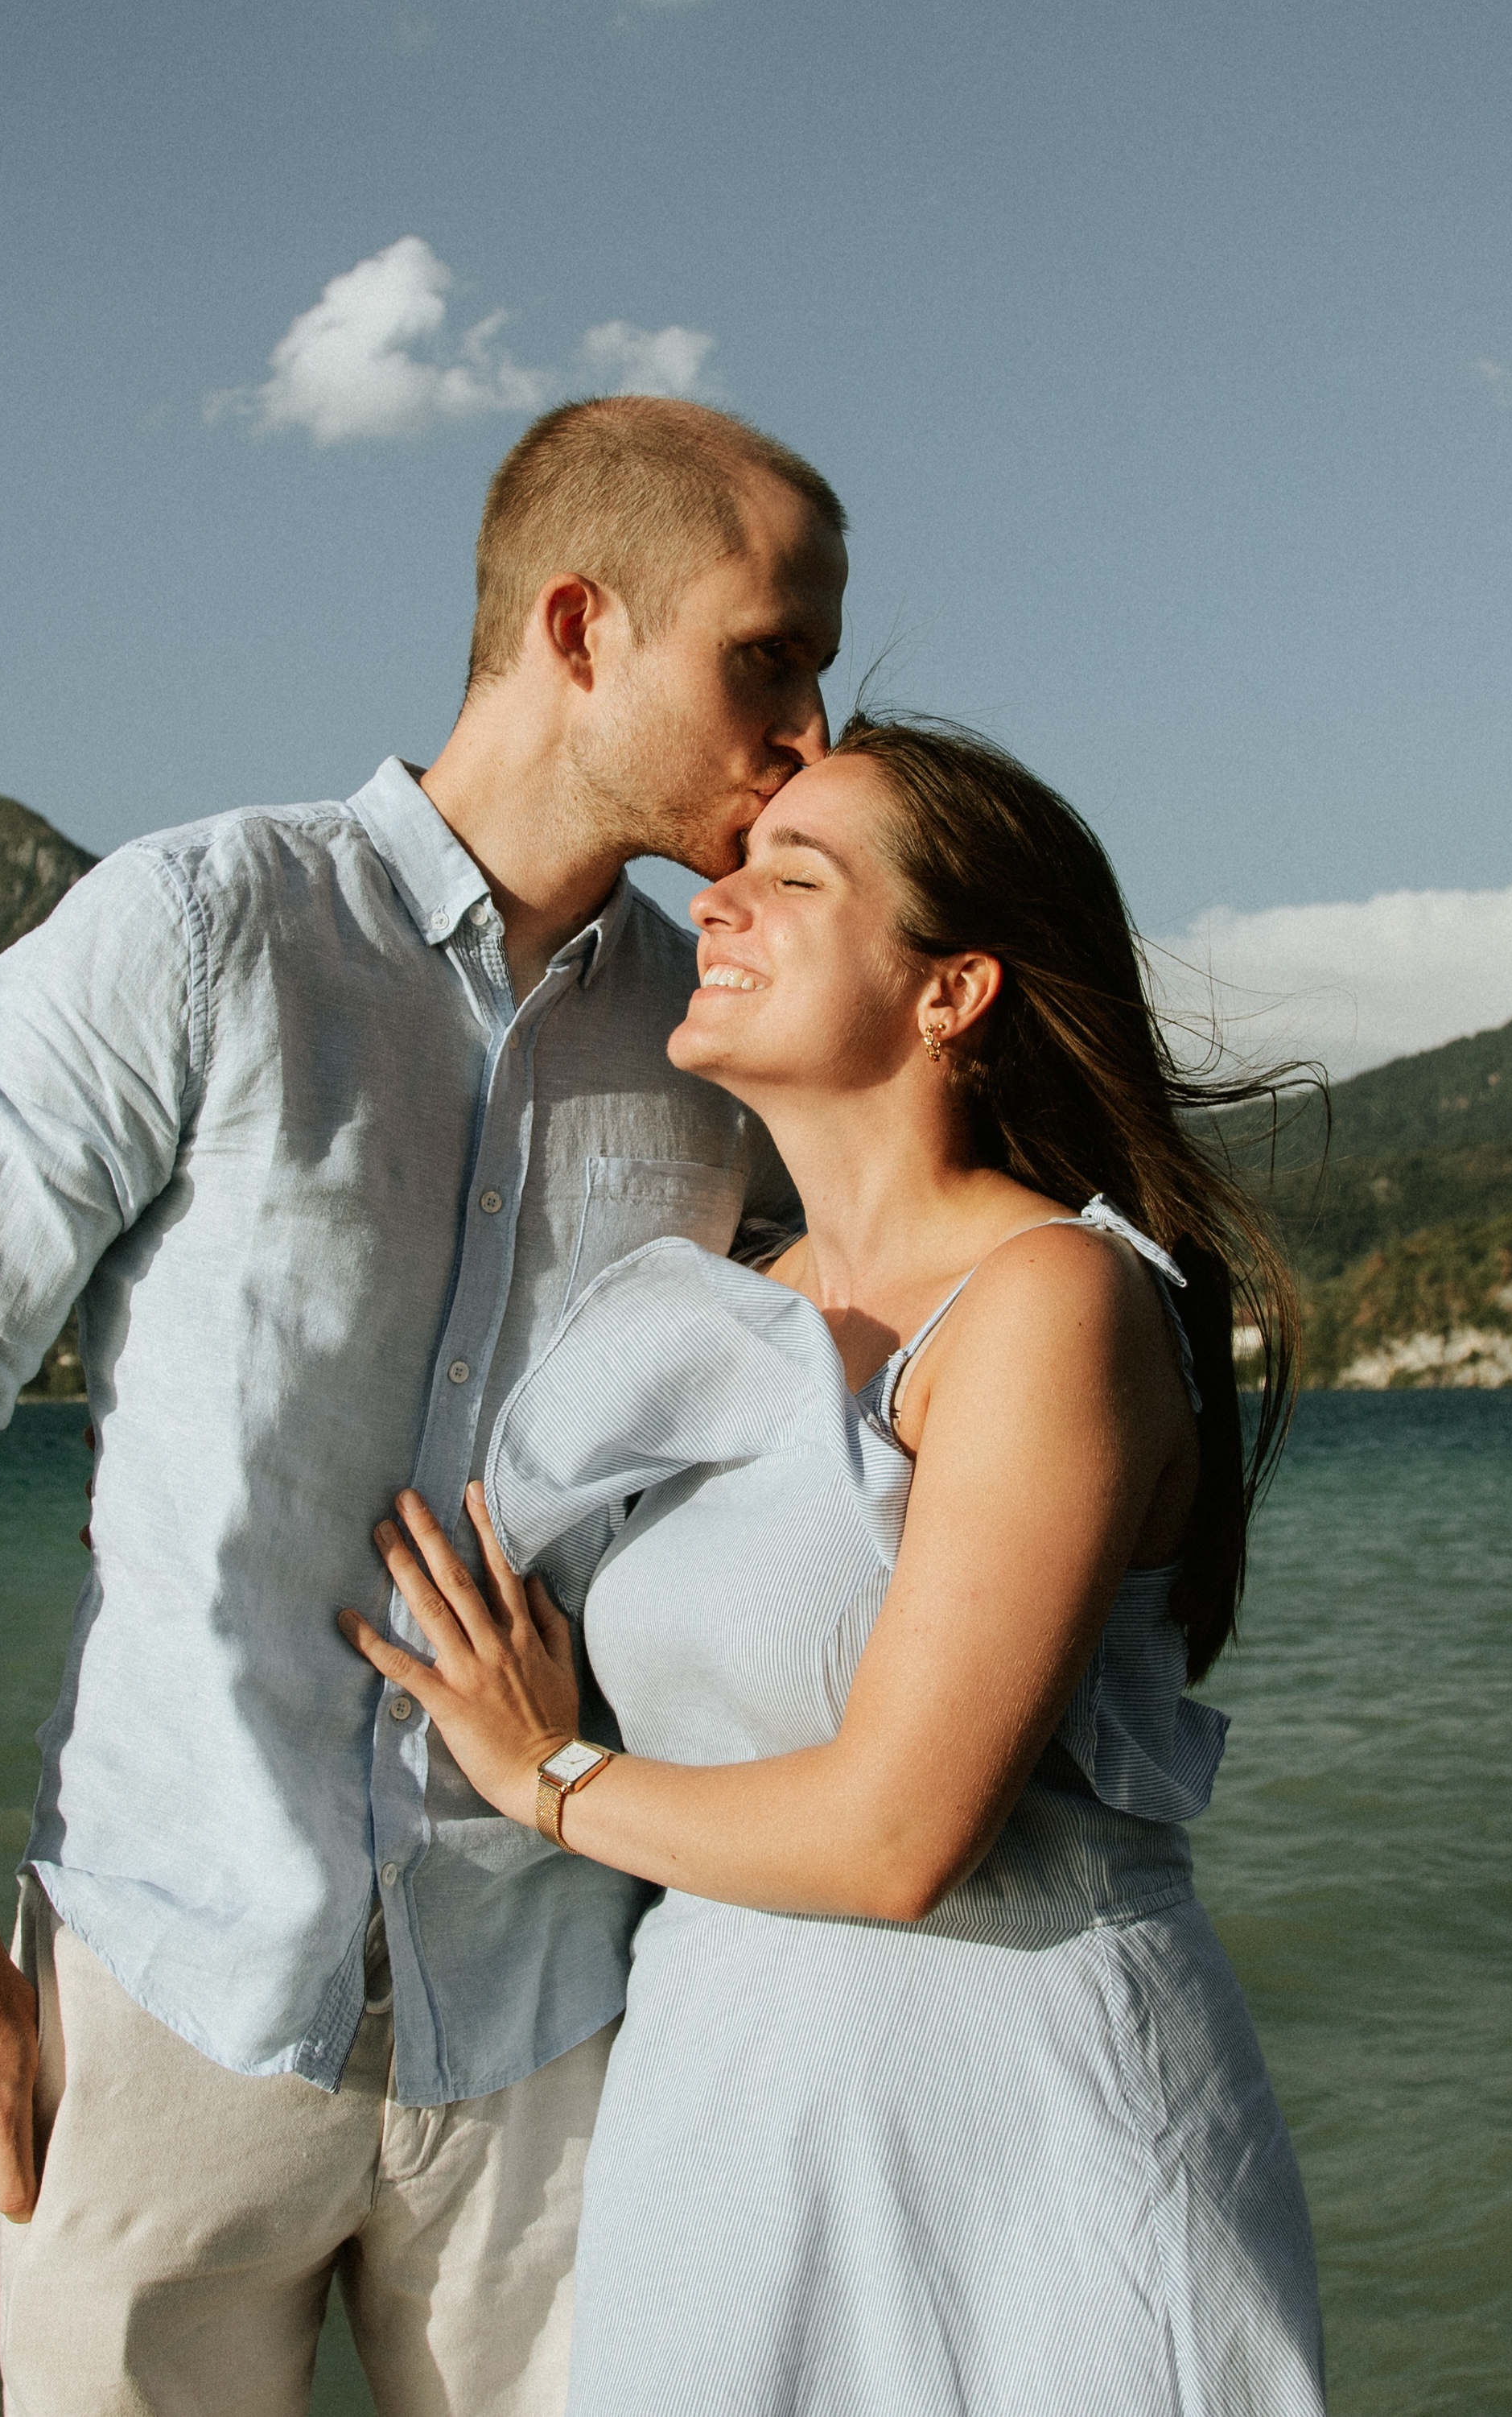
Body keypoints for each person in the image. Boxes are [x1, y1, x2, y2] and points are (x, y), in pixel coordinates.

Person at [0, 395, 847, 2417]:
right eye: (765, 657)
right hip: (166, 2015)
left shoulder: (721, 1034)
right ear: (579, 627)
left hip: (555, 2031)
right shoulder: (197, 932)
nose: (810, 730)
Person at [348, 716, 1329, 2415]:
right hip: (726, 2122)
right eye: (731, 869)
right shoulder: (709, 1303)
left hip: (1027, 2145)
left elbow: (900, 1835)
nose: (714, 904)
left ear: (952, 990)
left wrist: (548, 1775)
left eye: (793, 878)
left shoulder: (1050, 1298)